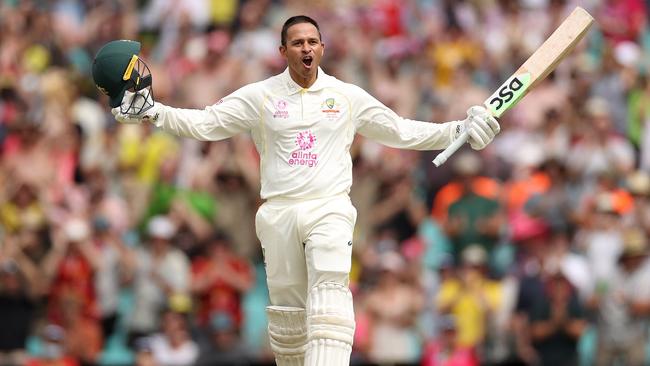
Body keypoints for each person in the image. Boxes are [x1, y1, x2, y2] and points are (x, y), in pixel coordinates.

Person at [95, 15, 501, 365]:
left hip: (329, 207)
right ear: (283, 50)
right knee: (289, 317)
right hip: (278, 212)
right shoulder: (261, 95)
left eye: (312, 42)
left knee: (328, 291)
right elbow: (206, 124)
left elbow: (399, 130)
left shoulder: (346, 95)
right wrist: (152, 110)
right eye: (297, 43)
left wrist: (458, 130)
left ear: (322, 48)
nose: (306, 48)